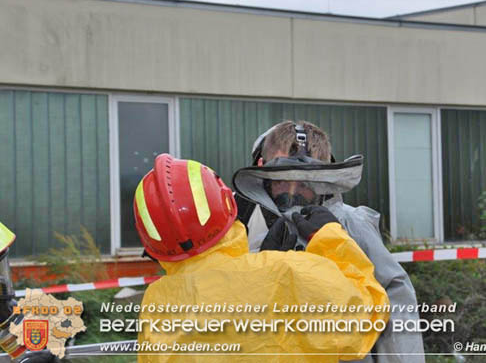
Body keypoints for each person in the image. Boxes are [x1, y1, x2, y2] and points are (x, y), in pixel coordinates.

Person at [134, 154, 389, 363]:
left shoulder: (155, 304)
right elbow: (367, 316)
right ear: (225, 203)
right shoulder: (286, 272)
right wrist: (331, 238)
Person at [233, 121, 425, 363]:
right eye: (281, 179)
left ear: (324, 178)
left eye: (304, 183)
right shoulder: (238, 222)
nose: (291, 191)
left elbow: (396, 301)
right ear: (261, 168)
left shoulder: (352, 224)